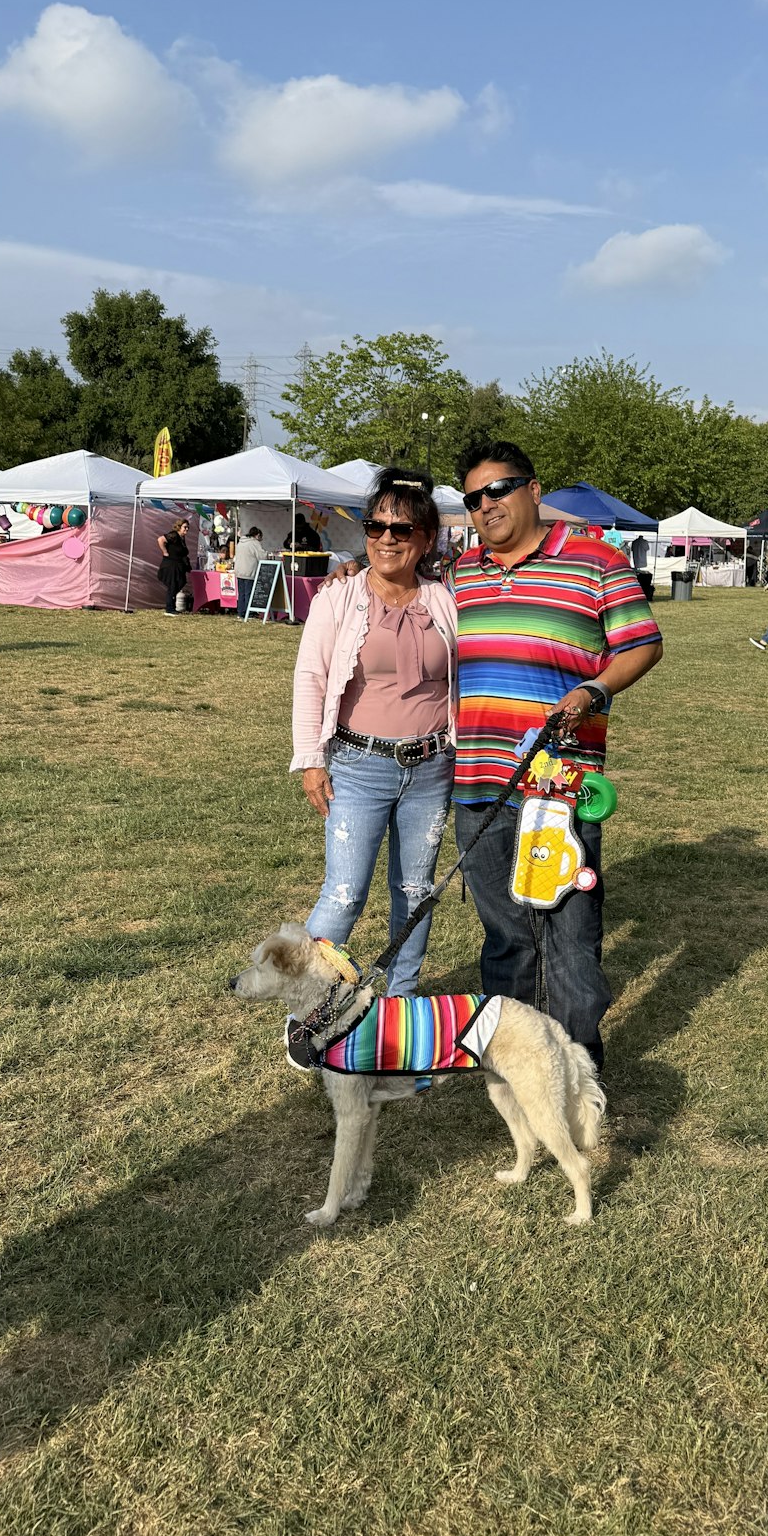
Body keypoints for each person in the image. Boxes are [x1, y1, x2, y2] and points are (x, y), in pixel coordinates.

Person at [451, 441, 663, 1071]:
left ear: (534, 489)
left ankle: (577, 1063)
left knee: (570, 933)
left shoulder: (597, 561)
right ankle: (511, 1062)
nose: (486, 505)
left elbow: (644, 645)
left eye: (499, 489)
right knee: (505, 935)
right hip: (477, 783)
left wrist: (595, 689)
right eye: (474, 497)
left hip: (559, 787)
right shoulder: (460, 574)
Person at [291, 468, 457, 995]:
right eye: (376, 526)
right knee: (342, 894)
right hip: (358, 767)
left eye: (402, 529)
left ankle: (401, 1004)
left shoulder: (445, 600)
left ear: (426, 539)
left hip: (432, 769)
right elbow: (311, 676)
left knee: (415, 891)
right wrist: (311, 759)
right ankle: (310, 1011)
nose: (387, 538)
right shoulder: (338, 597)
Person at [157, 518, 190, 616]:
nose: (187, 529)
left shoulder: (182, 538)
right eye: (185, 527)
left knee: (180, 582)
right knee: (173, 585)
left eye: (188, 527)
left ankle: (172, 606)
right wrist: (165, 552)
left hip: (178, 565)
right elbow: (160, 539)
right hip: (171, 565)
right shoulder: (174, 535)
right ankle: (169, 608)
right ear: (179, 527)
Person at [234, 525, 265, 617]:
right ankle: (249, 612)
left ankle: (241, 612)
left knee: (241, 593)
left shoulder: (241, 542)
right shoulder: (254, 543)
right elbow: (262, 556)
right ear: (258, 535)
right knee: (249, 593)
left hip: (239, 571)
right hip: (249, 571)